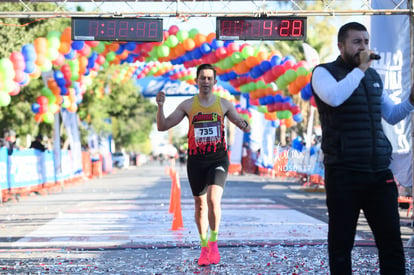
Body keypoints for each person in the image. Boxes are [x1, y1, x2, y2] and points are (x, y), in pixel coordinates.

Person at [311, 22, 414, 274]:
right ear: (341, 46)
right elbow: (335, 97)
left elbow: (391, 115)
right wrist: (361, 68)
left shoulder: (372, 76)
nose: (363, 47)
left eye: (366, 41)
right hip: (343, 173)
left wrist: (411, 100)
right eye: (357, 42)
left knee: (391, 242)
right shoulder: (323, 72)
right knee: (341, 245)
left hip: (379, 173)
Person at [156, 63, 251, 266]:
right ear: (196, 81)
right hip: (196, 160)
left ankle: (214, 243)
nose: (206, 81)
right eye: (202, 78)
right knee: (200, 205)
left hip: (218, 159)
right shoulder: (188, 105)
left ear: (215, 82)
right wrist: (160, 106)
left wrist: (244, 123)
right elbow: (163, 126)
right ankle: (204, 246)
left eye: (209, 78)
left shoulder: (224, 104)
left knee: (213, 200)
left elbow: (241, 123)